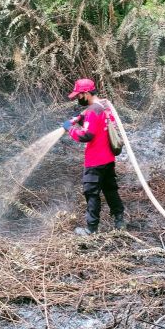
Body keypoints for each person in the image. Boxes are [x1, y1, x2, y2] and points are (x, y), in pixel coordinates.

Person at [63, 78, 125, 235]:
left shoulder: (92, 111)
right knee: (110, 190)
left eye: (79, 96)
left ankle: (91, 229)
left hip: (95, 161)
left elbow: (86, 135)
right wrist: (79, 118)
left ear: (86, 93)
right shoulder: (103, 106)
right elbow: (98, 121)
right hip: (108, 159)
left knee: (91, 193)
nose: (78, 99)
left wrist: (70, 129)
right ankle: (119, 221)